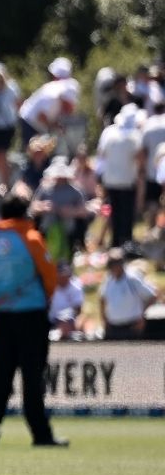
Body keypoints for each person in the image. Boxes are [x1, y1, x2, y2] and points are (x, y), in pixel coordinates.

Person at [0, 193, 67, 447]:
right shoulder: (31, 239)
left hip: (1, 314)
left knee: (1, 374)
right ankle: (40, 433)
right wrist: (42, 300)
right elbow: (49, 276)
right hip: (31, 313)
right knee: (32, 375)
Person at [96, 104, 145, 248]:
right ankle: (126, 241)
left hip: (110, 179)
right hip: (127, 180)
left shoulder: (108, 132)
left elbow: (101, 154)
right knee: (127, 213)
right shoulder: (135, 135)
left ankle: (115, 241)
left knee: (115, 212)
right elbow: (140, 158)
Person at [98, 249, 156, 339]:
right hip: (113, 327)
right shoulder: (109, 278)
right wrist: (104, 319)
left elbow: (152, 296)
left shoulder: (132, 278)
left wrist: (142, 316)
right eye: (111, 264)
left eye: (116, 263)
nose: (114, 266)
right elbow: (102, 298)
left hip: (131, 327)